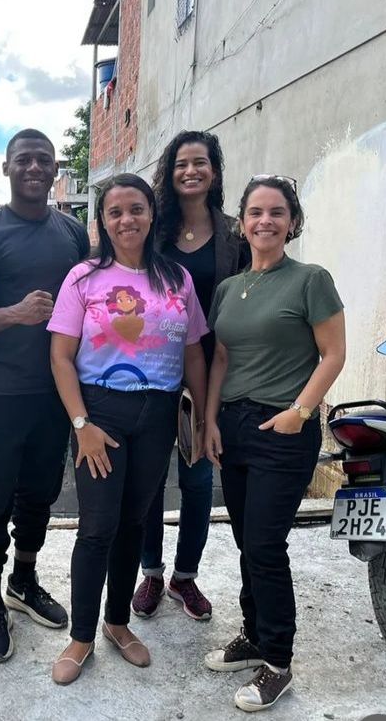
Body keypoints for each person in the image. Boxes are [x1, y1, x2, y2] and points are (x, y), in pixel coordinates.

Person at [46, 174, 208, 685]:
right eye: (114, 212)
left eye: (136, 209)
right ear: (102, 221)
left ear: (152, 213)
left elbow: (194, 353)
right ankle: (81, 637)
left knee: (134, 523)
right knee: (98, 527)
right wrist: (82, 424)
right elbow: (60, 357)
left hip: (158, 414)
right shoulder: (83, 278)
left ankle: (117, 623)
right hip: (101, 413)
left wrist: (203, 417)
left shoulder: (177, 279)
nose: (126, 220)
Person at [203, 176, 345, 712]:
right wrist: (210, 420)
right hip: (234, 426)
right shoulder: (229, 288)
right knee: (248, 541)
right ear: (242, 223)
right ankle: (255, 636)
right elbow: (221, 358)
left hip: (283, 429)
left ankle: (278, 662)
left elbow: (334, 353)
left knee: (265, 545)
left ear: (292, 222)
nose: (265, 221)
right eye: (256, 212)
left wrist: (299, 412)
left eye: (277, 212)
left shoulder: (310, 280)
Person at [0, 129, 90, 662]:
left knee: (40, 495)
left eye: (43, 160)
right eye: (24, 160)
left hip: (57, 392)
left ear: (56, 169)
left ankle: (23, 580)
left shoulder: (73, 232)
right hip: (3, 392)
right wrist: (16, 313)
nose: (34, 168)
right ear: (7, 167)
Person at [132, 130, 248, 621]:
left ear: (214, 172)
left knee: (199, 477)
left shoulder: (234, 236)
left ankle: (185, 577)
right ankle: (151, 572)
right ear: (170, 172)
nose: (191, 171)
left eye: (200, 162)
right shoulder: (154, 231)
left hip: (209, 368)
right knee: (150, 479)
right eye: (181, 163)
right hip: (153, 368)